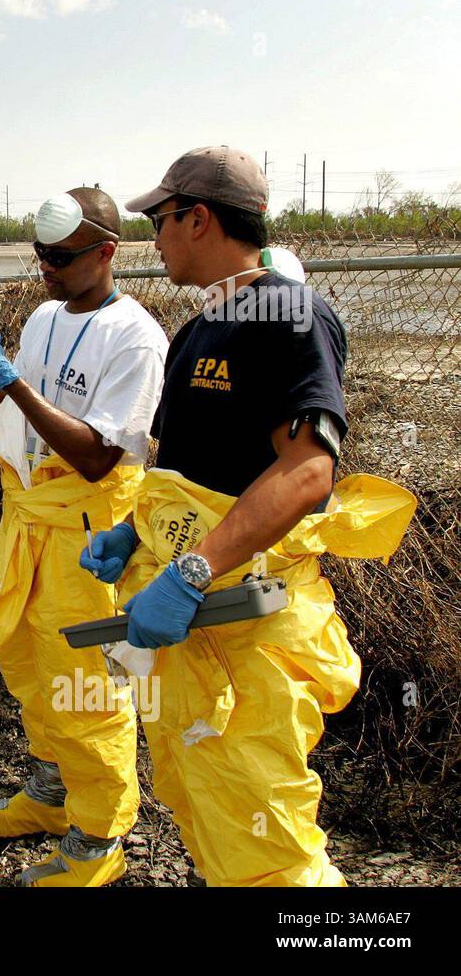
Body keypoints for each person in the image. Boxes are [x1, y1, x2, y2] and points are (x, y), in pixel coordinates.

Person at [79, 146, 416, 886]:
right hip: (195, 631)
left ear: (198, 219)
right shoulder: (196, 334)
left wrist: (193, 569)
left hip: (248, 629)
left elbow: (306, 471)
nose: (153, 237)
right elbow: (182, 471)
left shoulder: (291, 317)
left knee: (270, 848)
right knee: (212, 815)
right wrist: (133, 532)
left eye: (161, 220)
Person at [0, 187, 168, 886]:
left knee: (86, 686)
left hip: (85, 533)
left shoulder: (138, 339)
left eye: (61, 257)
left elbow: (99, 456)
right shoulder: (43, 317)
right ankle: (52, 795)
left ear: (107, 252)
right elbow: (9, 411)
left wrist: (7, 376)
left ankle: (99, 838)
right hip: (28, 519)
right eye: (40, 255)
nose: (46, 268)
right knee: (28, 665)